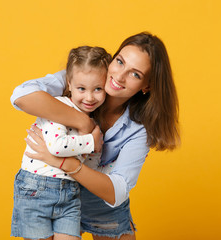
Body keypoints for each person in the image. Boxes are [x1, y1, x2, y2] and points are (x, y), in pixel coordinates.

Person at [11, 32, 180, 240]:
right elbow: (21, 96)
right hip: (53, 193)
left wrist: (64, 162)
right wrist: (84, 122)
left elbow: (117, 191)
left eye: (135, 74)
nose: (119, 76)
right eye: (119, 62)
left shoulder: (138, 129)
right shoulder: (85, 76)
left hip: (99, 202)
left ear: (147, 86)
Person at [11, 46, 112, 240]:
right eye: (81, 88)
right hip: (36, 189)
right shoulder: (58, 107)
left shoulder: (94, 122)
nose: (89, 97)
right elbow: (57, 147)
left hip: (69, 192)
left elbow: (88, 165)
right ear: (69, 84)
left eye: (97, 89)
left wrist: (94, 152)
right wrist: (91, 142)